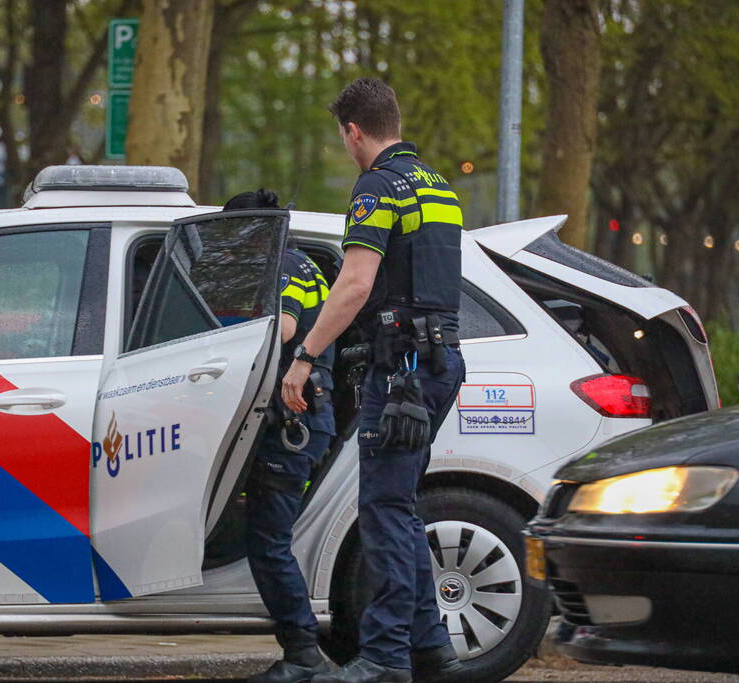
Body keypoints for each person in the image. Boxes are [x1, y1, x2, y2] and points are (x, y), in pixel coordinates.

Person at [279, 78, 466, 683]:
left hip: (403, 370)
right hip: (439, 362)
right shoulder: (439, 186)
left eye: (343, 137)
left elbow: (356, 283)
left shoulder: (377, 186)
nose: (346, 147)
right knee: (399, 507)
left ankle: (385, 657)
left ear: (354, 130)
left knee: (384, 510)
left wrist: (306, 355)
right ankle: (431, 650)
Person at [223, 189, 336, 683]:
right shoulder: (302, 261)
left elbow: (284, 329)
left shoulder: (284, 266)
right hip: (299, 420)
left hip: (293, 422)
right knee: (269, 537)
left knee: (269, 541)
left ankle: (303, 653)